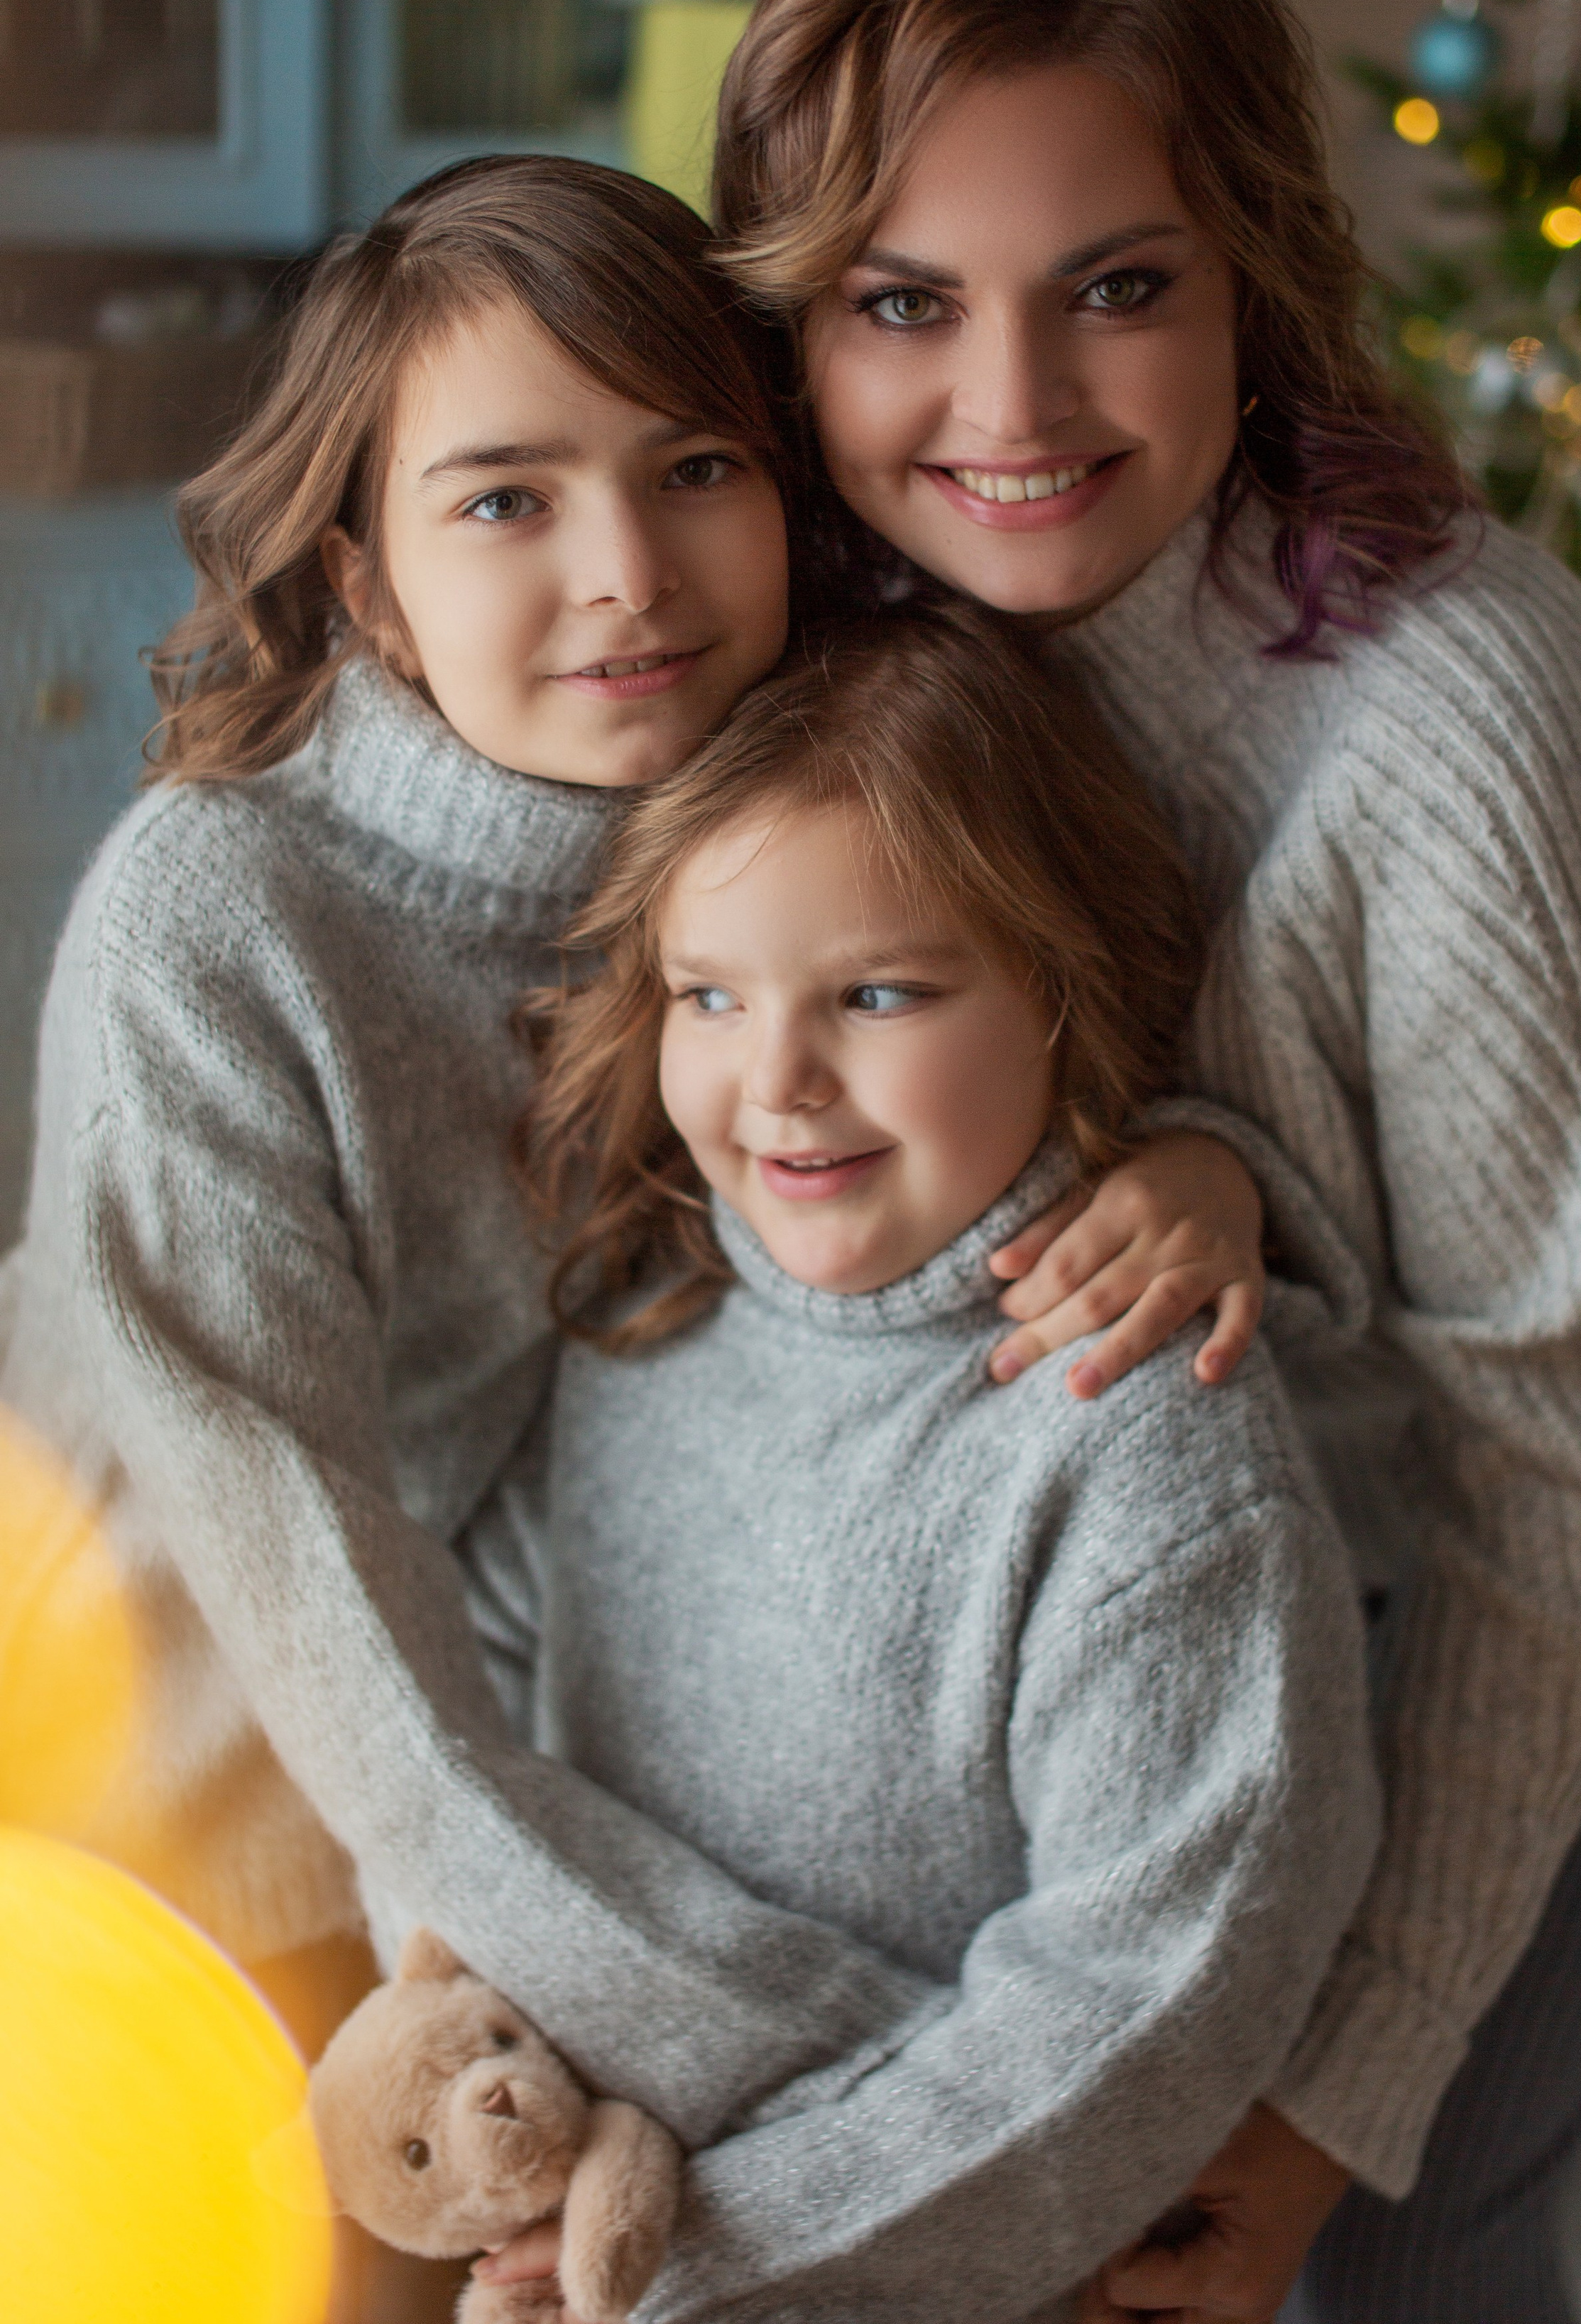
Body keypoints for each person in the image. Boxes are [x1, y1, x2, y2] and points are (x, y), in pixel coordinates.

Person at [709, 0, 1581, 2322]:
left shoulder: (1454, 741)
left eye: (1119, 289)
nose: (1007, 412)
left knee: (1389, 2232)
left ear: (1251, 281)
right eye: (904, 305)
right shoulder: (839, 599)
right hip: (1264, 1475)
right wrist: (1212, 1160)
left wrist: (1347, 2088)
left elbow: (1566, 1480)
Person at [0, 153, 1262, 2131]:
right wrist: (791, 2057)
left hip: (491, 1777)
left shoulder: (764, 789)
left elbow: (1023, 982)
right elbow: (308, 1587)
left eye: (694, 468)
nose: (630, 575)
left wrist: (1192, 1150)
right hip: (163, 1814)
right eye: (507, 499)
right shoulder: (221, 920)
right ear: (361, 580)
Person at [463, 603, 1377, 2323]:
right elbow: (496, 1709)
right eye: (709, 995)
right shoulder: (645, 1323)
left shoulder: (1146, 1448)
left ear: (1058, 984)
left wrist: (705, 2267)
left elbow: (1135, 2007)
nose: (779, 1081)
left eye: (876, 992)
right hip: (596, 2218)